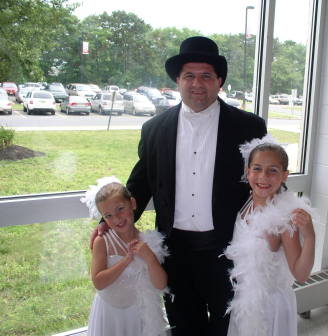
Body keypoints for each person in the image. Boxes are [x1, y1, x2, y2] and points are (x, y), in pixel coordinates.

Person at [91, 36, 267, 335]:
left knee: (230, 324)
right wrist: (108, 221)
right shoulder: (154, 129)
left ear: (219, 81)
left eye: (206, 76)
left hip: (228, 248)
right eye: (189, 76)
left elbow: (266, 180)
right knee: (184, 325)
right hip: (175, 251)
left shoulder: (249, 126)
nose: (197, 83)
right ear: (177, 81)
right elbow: (139, 184)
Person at [224, 135, 316, 336]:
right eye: (257, 168)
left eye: (272, 170)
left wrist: (309, 237)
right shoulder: (247, 205)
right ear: (248, 172)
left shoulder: (284, 218)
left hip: (271, 307)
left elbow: (301, 274)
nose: (263, 176)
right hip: (245, 301)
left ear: (284, 175)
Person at [82, 176, 169, 336]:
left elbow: (160, 285)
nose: (116, 219)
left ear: (133, 204)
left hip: (136, 315)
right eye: (108, 216)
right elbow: (98, 282)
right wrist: (127, 260)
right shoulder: (103, 241)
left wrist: (150, 258)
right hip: (109, 314)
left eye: (120, 209)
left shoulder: (146, 241)